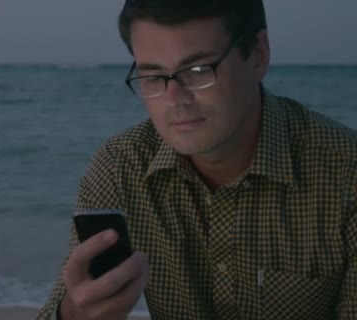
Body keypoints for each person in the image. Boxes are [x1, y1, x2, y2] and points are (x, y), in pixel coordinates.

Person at [36, 0, 357, 319]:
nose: (174, 100)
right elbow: (70, 303)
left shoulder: (347, 171)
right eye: (153, 76)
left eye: (198, 69)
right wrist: (75, 313)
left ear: (258, 55)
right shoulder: (120, 165)